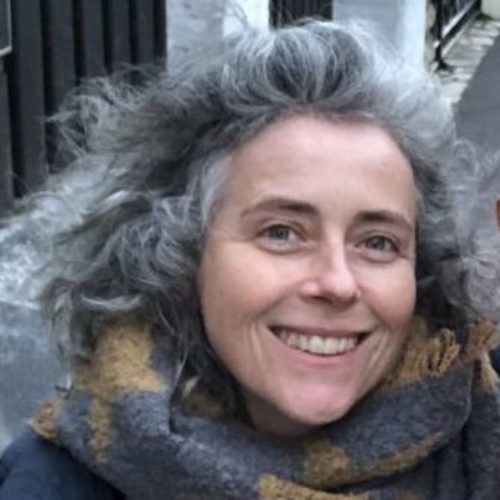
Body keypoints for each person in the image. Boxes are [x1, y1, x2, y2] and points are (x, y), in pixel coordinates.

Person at [1, 20, 499, 499]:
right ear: (181, 254)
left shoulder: (481, 426)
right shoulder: (55, 483)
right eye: (281, 233)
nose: (338, 282)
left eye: (378, 242)